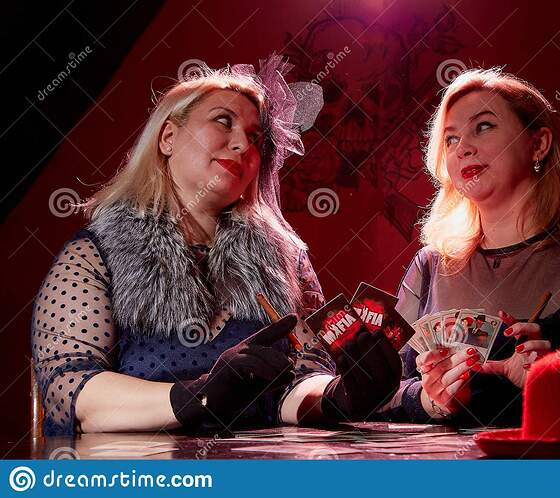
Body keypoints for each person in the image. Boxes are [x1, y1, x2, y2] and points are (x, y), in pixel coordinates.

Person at [31, 55, 400, 435]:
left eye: (256, 138)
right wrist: (196, 395)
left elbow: (301, 379)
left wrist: (338, 395)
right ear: (168, 137)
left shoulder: (284, 261)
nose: (242, 143)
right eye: (223, 121)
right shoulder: (93, 255)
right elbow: (72, 390)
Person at [381, 68, 560, 425]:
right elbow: (376, 394)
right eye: (450, 139)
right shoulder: (429, 266)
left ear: (538, 144)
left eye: (484, 126)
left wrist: (557, 382)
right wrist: (430, 400)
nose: (463, 148)